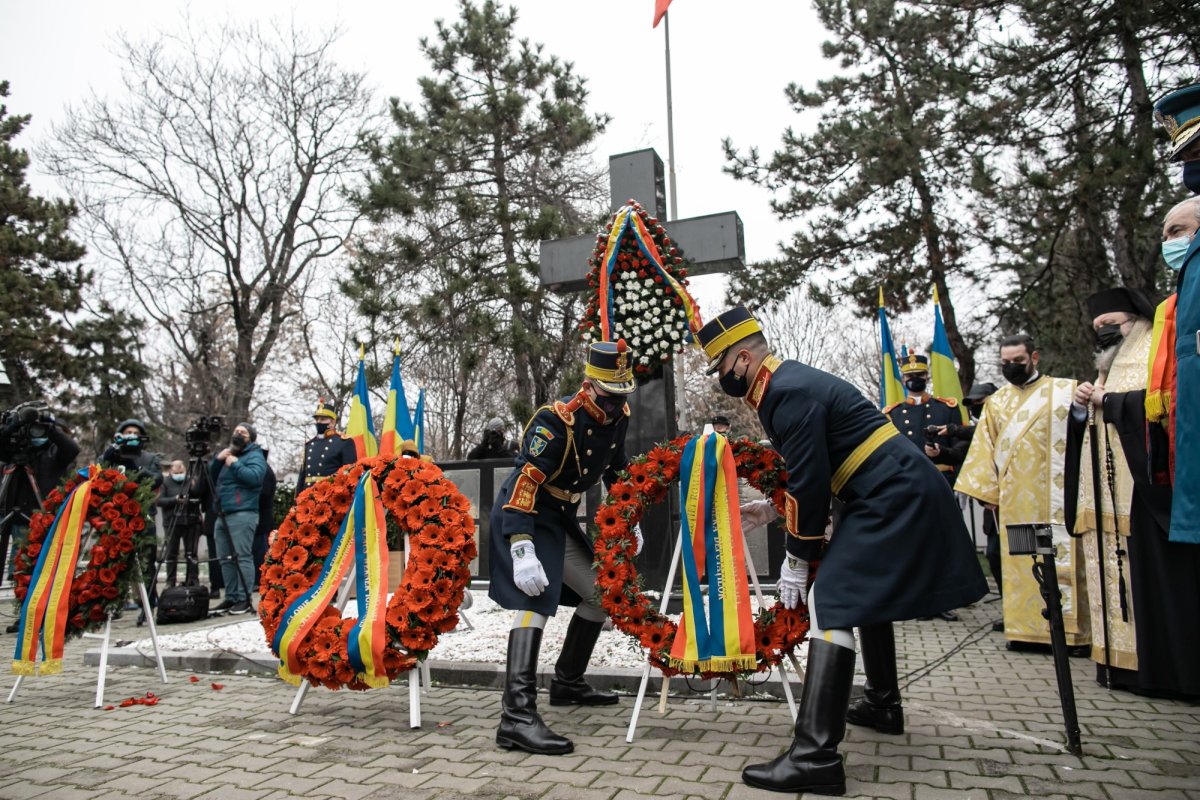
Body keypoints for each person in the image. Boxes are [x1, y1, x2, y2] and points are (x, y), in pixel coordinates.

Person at [699, 306, 986, 795]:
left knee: (830, 599)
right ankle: (882, 703)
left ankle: (814, 757)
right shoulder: (786, 384)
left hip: (892, 495)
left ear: (743, 359)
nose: (720, 376)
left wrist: (796, 559)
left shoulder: (785, 391)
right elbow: (823, 463)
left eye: (721, 365)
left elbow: (811, 483)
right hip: (888, 491)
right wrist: (770, 510)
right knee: (859, 595)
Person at [488, 339, 642, 756]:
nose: (615, 405)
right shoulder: (556, 420)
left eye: (622, 395)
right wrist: (521, 548)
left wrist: (629, 517)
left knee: (601, 594)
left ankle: (568, 682)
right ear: (589, 385)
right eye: (609, 395)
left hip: (559, 516)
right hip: (525, 514)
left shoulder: (620, 416)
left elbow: (617, 471)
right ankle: (516, 717)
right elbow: (524, 482)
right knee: (534, 598)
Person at [1068, 286, 1200, 699]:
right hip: (1109, 499)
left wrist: (1111, 401)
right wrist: (1082, 405)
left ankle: (1164, 673)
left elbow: (1169, 406)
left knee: (1156, 585)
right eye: (1097, 327)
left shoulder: (1155, 352)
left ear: (1137, 320)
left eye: (1110, 324)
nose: (1103, 333)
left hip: (1147, 494)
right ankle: (1119, 667)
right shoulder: (1109, 363)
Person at [956, 335, 1090, 652]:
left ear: (1034, 357)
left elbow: (1083, 431)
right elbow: (984, 447)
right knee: (1024, 563)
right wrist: (987, 492)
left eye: (1017, 360)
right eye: (1005, 362)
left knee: (1064, 562)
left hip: (1060, 497)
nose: (1011, 366)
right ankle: (1027, 632)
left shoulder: (1064, 391)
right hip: (1017, 502)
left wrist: (1082, 408)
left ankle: (1071, 635)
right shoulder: (997, 402)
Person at [0, 405, 79, 631]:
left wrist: (48, 426)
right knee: (19, 568)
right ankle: (25, 612)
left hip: (43, 515)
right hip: (14, 514)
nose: (34, 433)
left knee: (39, 566)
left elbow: (72, 449)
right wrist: (16, 424)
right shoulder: (15, 448)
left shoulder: (54, 452)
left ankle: (40, 613)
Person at [940, 382, 1002, 624]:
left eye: (980, 403)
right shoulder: (980, 432)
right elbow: (958, 453)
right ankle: (1010, 608)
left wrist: (953, 429)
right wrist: (938, 453)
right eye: (973, 405)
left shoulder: (1006, 422)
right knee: (994, 554)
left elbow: (978, 432)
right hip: (992, 507)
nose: (977, 408)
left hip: (1018, 504)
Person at [208, 422, 267, 615]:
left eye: (243, 432)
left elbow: (255, 477)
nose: (238, 434)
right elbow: (209, 478)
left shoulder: (255, 455)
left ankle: (244, 598)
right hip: (222, 513)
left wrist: (235, 464)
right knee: (225, 558)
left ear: (251, 438)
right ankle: (231, 597)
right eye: (236, 431)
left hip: (243, 512)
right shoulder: (226, 455)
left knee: (242, 556)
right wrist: (217, 461)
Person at [156, 460, 204, 588]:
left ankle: (192, 579)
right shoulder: (165, 483)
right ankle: (171, 580)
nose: (179, 475)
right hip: (172, 521)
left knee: (191, 553)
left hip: (190, 521)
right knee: (171, 553)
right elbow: (159, 500)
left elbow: (198, 496)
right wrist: (175, 499)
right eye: (176, 472)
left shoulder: (190, 481)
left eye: (181, 472)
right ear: (170, 471)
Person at [295, 401, 356, 498]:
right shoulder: (309, 445)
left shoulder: (344, 442)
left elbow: (349, 475)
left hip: (331, 496)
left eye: (323, 419)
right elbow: (302, 477)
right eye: (317, 419)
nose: (319, 422)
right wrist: (297, 499)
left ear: (333, 422)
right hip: (308, 496)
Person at [99, 419, 162, 486]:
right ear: (121, 435)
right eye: (128, 433)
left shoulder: (150, 458)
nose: (132, 435)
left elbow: (157, 480)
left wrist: (138, 470)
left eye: (136, 433)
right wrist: (108, 460)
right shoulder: (110, 455)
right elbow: (97, 477)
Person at [253, 448, 278, 585]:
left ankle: (260, 579)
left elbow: (264, 493)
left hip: (262, 518)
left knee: (260, 551)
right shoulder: (265, 469)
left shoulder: (264, 471)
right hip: (262, 517)